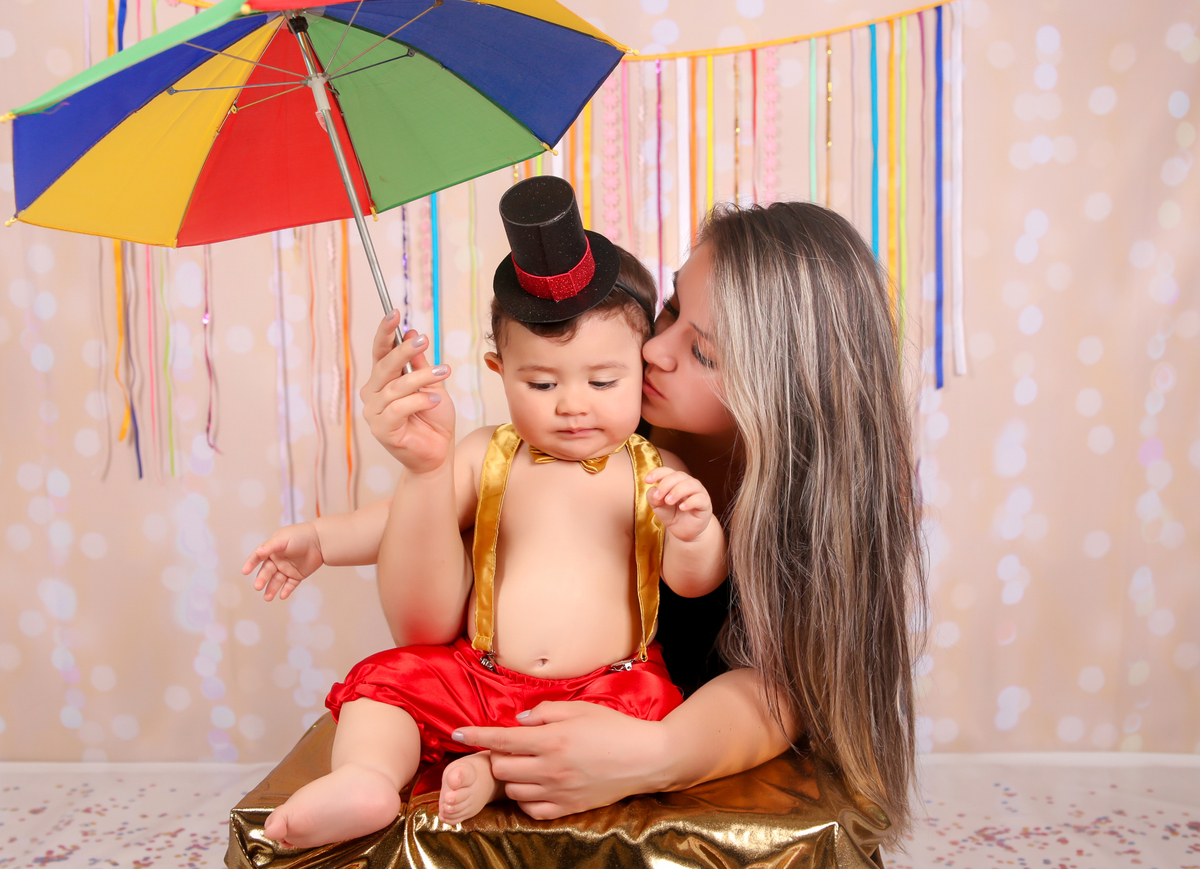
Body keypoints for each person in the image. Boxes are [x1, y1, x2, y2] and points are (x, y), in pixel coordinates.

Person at [247, 198, 926, 853]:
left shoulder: (699, 488)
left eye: (703, 353)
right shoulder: (581, 430)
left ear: (789, 389)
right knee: (392, 689)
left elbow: (786, 686)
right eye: (670, 309)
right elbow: (428, 559)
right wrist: (349, 522)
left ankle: (496, 768)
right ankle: (403, 773)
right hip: (496, 688)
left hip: (644, 713)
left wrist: (655, 754)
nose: (655, 351)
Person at [251, 176, 727, 848]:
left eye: (603, 380)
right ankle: (366, 778)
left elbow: (693, 581)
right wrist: (320, 541)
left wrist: (695, 531)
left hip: (607, 691)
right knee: (385, 685)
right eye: (541, 382)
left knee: (644, 723)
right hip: (482, 675)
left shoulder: (655, 470)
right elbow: (401, 517)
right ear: (499, 372)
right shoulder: (487, 454)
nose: (572, 404)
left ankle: (492, 772)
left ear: (639, 369)